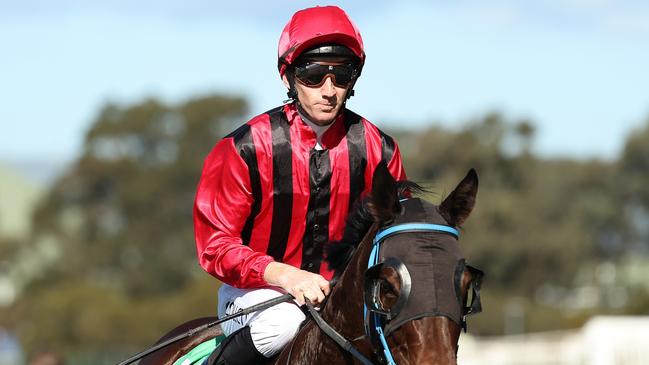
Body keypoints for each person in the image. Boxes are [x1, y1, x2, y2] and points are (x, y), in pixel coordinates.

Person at [194, 5, 406, 365]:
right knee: (285, 321)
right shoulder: (244, 147)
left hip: (346, 295)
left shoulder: (379, 150)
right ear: (287, 77)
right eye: (313, 75)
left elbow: (397, 235)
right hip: (257, 295)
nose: (329, 90)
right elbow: (216, 246)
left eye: (341, 75)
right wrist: (283, 275)